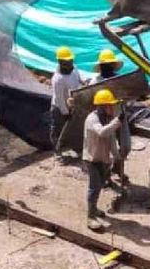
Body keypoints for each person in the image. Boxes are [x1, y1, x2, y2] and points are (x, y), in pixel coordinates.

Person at [83, 89, 124, 230]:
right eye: (109, 105)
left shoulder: (107, 120)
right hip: (92, 159)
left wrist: (117, 157)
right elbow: (102, 132)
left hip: (103, 158)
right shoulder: (92, 119)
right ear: (101, 107)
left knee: (100, 185)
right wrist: (118, 121)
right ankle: (90, 217)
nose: (112, 108)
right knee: (94, 188)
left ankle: (94, 209)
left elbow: (111, 140)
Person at [92, 48, 131, 186]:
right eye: (105, 65)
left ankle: (117, 167)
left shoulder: (120, 80)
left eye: (110, 65)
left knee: (126, 146)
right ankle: (106, 175)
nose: (108, 67)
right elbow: (90, 100)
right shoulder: (95, 82)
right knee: (108, 149)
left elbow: (128, 96)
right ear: (101, 66)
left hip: (120, 115)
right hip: (105, 119)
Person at [50, 46, 83, 154]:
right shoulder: (58, 79)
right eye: (67, 62)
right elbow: (60, 99)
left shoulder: (74, 69)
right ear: (60, 62)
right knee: (58, 130)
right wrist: (65, 113)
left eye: (70, 61)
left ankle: (76, 148)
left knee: (74, 128)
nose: (70, 64)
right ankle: (58, 151)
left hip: (72, 104)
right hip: (59, 108)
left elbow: (79, 80)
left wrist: (84, 83)